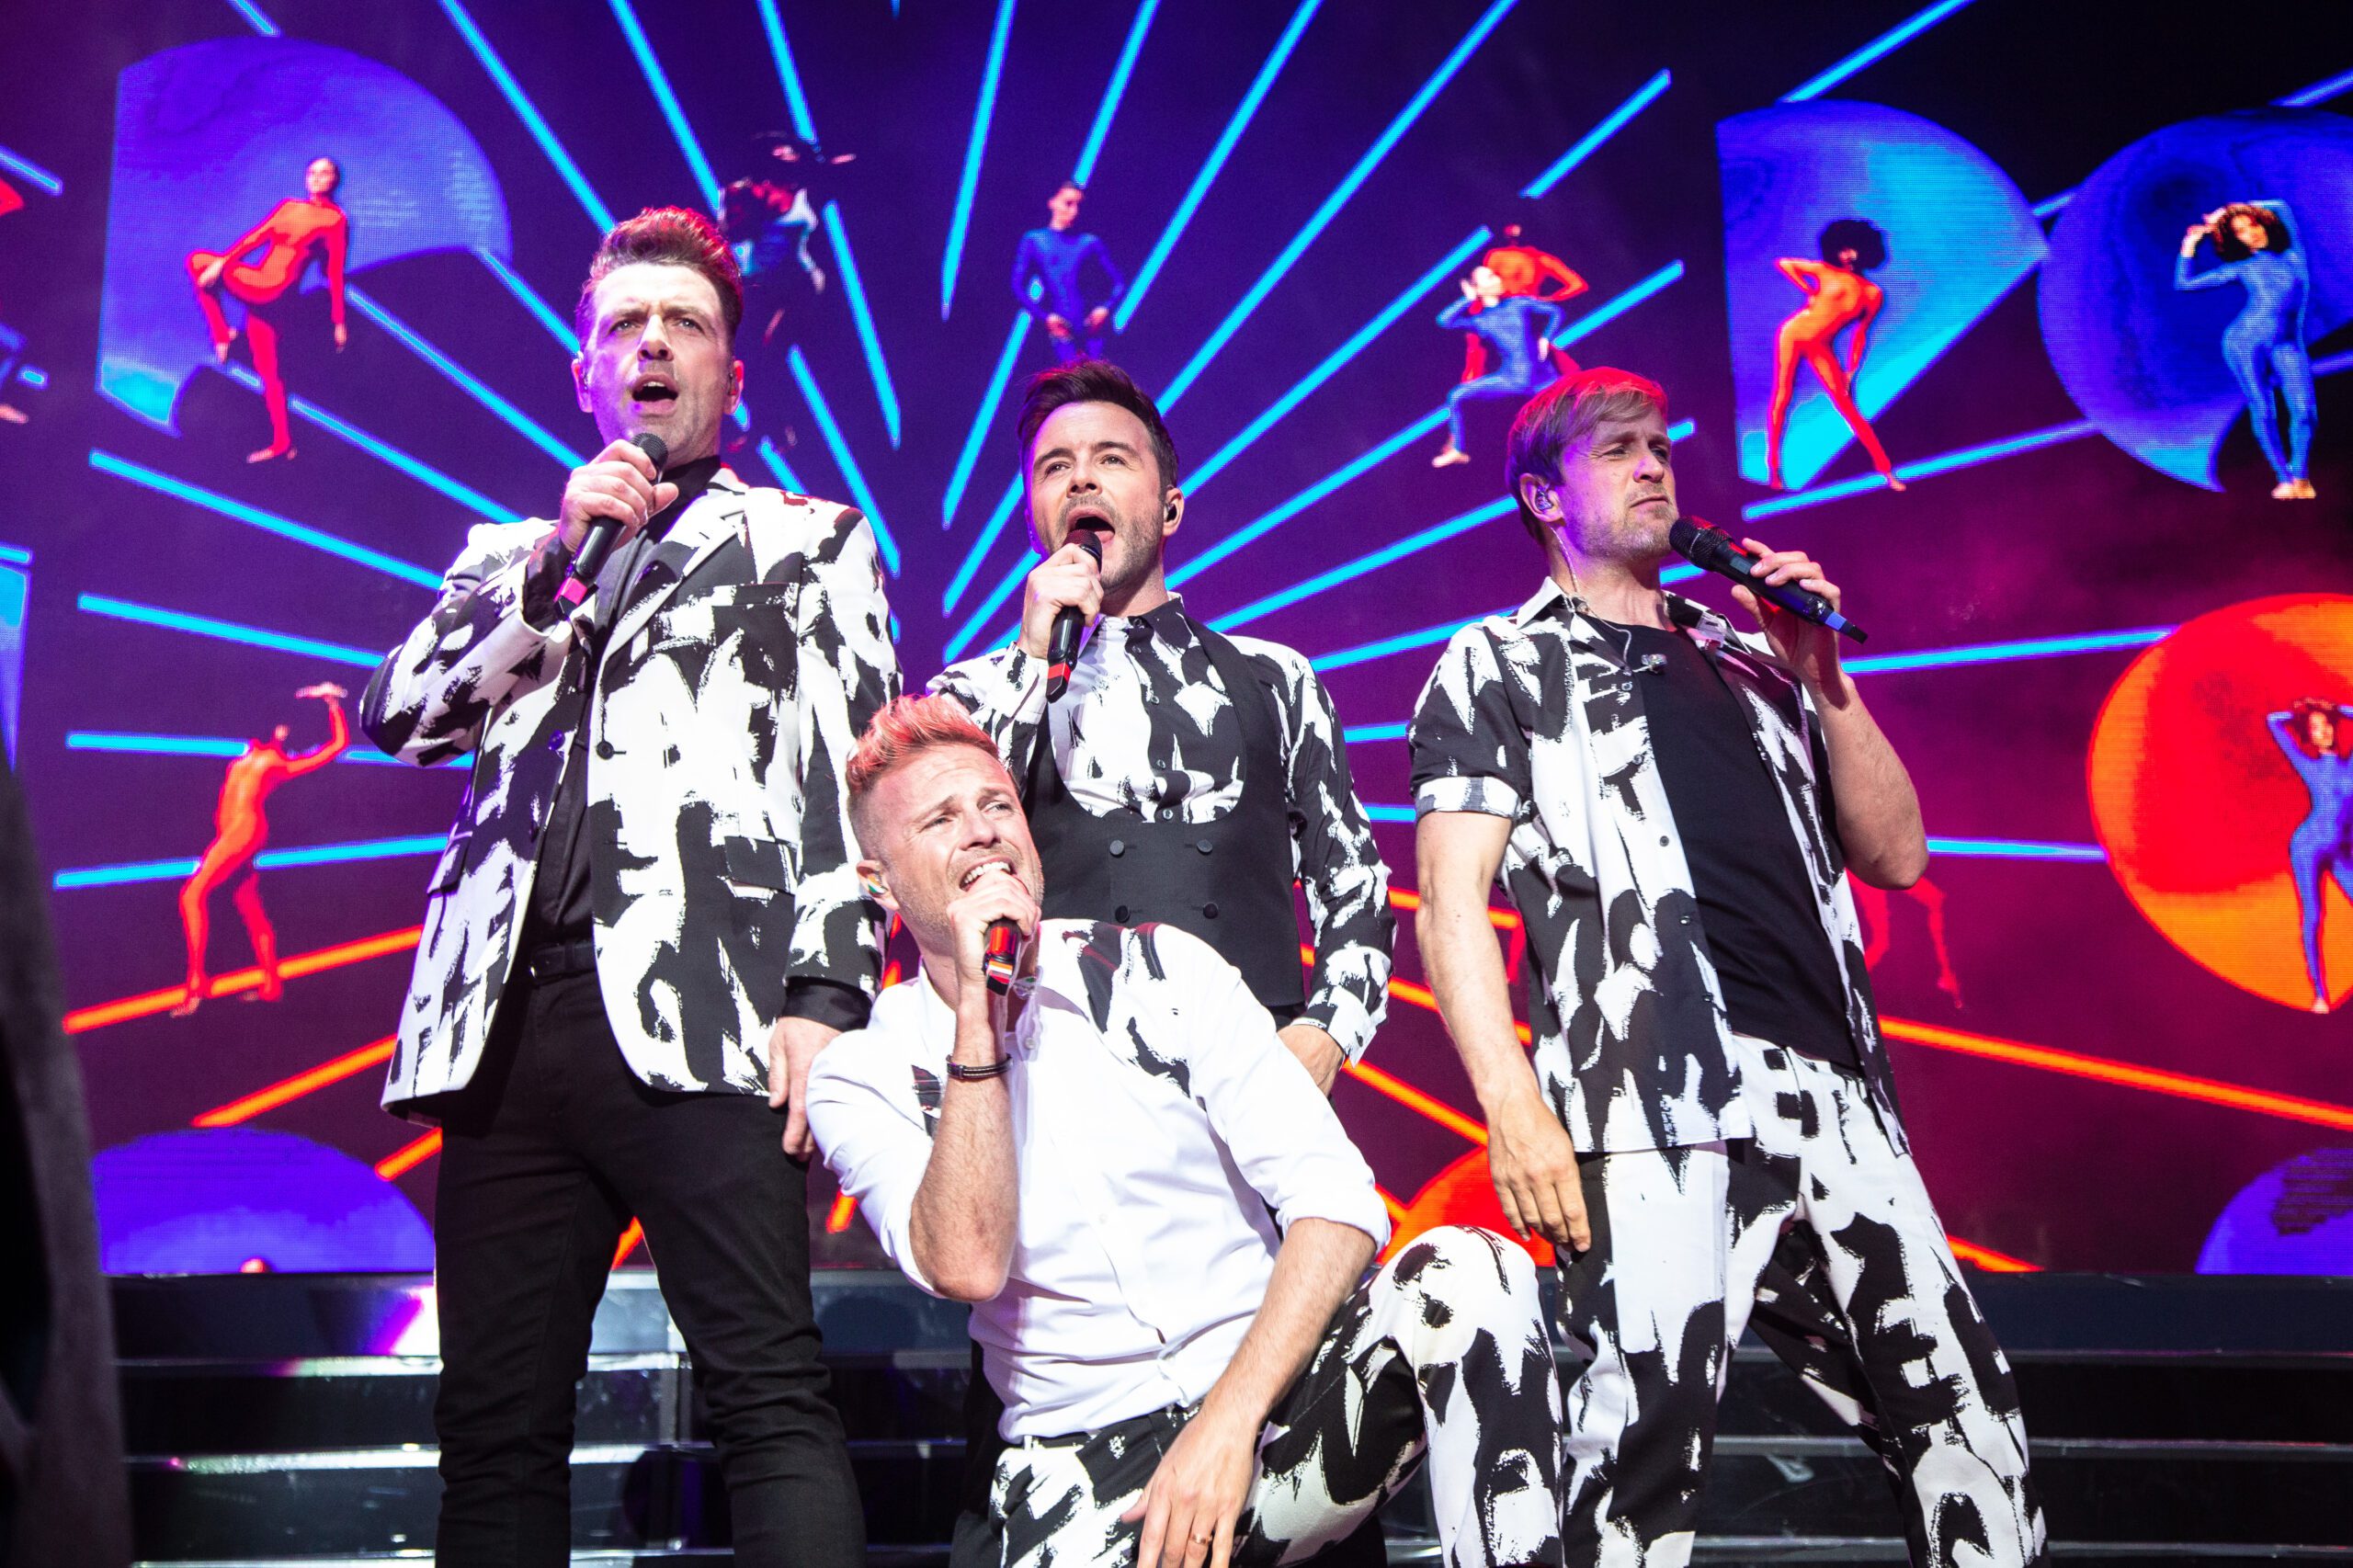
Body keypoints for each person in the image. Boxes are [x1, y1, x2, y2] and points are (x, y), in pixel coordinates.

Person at [1408, 368, 2044, 1566]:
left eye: (1662, 444)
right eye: (1618, 450)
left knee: (1973, 1427)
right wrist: (1513, 1107)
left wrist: (1821, 670)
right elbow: (1447, 908)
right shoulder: (1495, 662)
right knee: (1638, 1459)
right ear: (1546, 495)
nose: (1656, 465)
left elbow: (1898, 852)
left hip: (1839, 1101)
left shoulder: (1751, 657)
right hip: (1653, 1102)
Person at [359, 207, 893, 1568]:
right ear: (582, 371)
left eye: (687, 324)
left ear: (731, 371)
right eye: (623, 326)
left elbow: (862, 778)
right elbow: (399, 716)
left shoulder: (811, 542)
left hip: (711, 1019)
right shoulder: (504, 558)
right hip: (506, 1033)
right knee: (493, 1429)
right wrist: (550, 565)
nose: (652, 344)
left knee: (769, 1400)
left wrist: (830, 994)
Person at [808, 695, 1567, 1568]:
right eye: (942, 819)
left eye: (996, 806)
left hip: (1267, 1408)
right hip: (1080, 1465)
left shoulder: (1161, 969)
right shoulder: (860, 1074)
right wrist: (980, 1013)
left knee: (1476, 1270)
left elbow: (1339, 1204)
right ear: (880, 881)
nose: (982, 832)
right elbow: (968, 1263)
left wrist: (1228, 1423)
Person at [929, 358, 1395, 1568]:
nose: (1081, 480)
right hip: (1071, 1151)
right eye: (1053, 467)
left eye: (1111, 458)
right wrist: (1038, 663)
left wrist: (1318, 1041)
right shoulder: (976, 694)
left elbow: (1357, 899)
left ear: (1171, 503)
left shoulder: (1274, 679)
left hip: (1258, 1132)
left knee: (1299, 1464)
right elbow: (936, 896)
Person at [170, 683, 347, 1017]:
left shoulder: (278, 763)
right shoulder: (250, 752)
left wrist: (332, 706)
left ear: (282, 731)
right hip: (230, 833)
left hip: (244, 832)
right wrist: (311, 693)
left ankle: (197, 982)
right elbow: (275, 701)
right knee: (250, 908)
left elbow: (337, 746)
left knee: (192, 895)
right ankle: (271, 984)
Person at [185, 155, 347, 463]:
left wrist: (339, 321)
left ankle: (222, 335)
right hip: (262, 288)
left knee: (197, 261)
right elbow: (255, 239)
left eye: (324, 173)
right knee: (268, 372)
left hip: (275, 291)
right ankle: (283, 442)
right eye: (311, 172)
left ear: (333, 180)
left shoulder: (335, 220)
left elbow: (335, 272)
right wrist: (223, 263)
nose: (315, 177)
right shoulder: (289, 207)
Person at [2177, 201, 2314, 500]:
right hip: (2244, 341)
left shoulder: (2293, 256)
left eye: (2253, 224)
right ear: (2235, 240)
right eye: (2240, 231)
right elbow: (2184, 283)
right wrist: (2190, 245)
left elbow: (2281, 206)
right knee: (2263, 409)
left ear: (2264, 223)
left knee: (2304, 413)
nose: (2250, 233)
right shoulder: (2241, 267)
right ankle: (2284, 478)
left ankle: (2300, 476)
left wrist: (2227, 211)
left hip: (2287, 342)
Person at [1764, 218, 1903, 494]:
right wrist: (1807, 289)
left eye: (1854, 249)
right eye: (1843, 249)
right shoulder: (1825, 271)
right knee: (1782, 398)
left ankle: (1886, 471)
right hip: (1794, 333)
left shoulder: (1871, 293)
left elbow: (1860, 335)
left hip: (1821, 345)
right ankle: (1774, 471)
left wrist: (1852, 370)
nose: (1848, 255)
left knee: (1848, 407)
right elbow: (1785, 264)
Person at [722, 131, 857, 347]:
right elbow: (733, 233)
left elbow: (850, 164)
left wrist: (814, 156)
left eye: (788, 149)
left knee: (773, 347)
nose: (784, 152)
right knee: (745, 346)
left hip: (799, 281)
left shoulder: (805, 192)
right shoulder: (740, 192)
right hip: (756, 283)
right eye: (777, 148)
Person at [1431, 267, 1562, 468]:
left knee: (1570, 422)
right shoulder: (1480, 321)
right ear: (1478, 288)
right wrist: (1468, 298)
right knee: (1456, 396)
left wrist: (1546, 337)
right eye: (1490, 277)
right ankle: (1458, 449)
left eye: (1495, 275)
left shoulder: (1518, 303)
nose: (1497, 279)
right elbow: (1444, 320)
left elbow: (1555, 312)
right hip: (1511, 379)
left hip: (1543, 379)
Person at [2268, 699, 2351, 1015]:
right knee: (2314, 915)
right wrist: (2302, 715)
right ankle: (2319, 993)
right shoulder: (2309, 765)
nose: (2323, 732)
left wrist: (2334, 708)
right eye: (2316, 729)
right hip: (2308, 847)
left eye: (2326, 725)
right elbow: (2273, 722)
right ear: (2310, 735)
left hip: (2342, 848)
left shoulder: (2350, 765)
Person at [1009, 182, 1127, 363]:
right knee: (1065, 384)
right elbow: (1017, 286)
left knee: (1099, 386)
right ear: (1052, 202)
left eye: (1078, 205)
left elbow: (1118, 282)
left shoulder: (1090, 242)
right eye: (1068, 203)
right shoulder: (1034, 240)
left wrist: (1105, 308)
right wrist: (1045, 317)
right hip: (1058, 329)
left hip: (1094, 329)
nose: (1074, 211)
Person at [1460, 218, 1585, 383]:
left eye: (1516, 225)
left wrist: (1545, 300)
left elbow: (1577, 284)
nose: (1513, 230)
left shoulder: (1538, 259)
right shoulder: (1498, 256)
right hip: (1500, 313)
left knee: (1542, 356)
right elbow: (1484, 287)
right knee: (1479, 353)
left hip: (1522, 314)